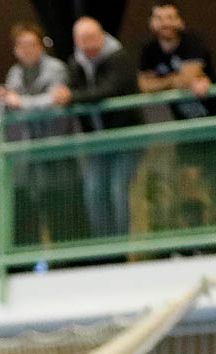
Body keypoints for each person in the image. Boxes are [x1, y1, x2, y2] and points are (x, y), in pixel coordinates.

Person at [136, 3, 216, 230]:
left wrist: (162, 82)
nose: (166, 23)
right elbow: (143, 84)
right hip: (188, 128)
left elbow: (191, 75)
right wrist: (176, 81)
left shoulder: (193, 42)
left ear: (180, 21)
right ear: (152, 24)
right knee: (188, 184)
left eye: (170, 17)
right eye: (160, 18)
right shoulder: (149, 51)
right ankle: (196, 239)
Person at [0, 24, 89, 248]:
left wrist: (21, 104)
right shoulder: (15, 73)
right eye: (22, 46)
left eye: (32, 45)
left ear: (41, 47)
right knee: (31, 213)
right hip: (31, 157)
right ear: (16, 50)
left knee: (64, 214)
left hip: (59, 153)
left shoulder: (56, 69)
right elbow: (6, 108)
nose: (27, 50)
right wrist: (4, 101)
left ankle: (72, 262)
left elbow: (53, 104)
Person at [52, 18, 143, 243]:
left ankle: (119, 247)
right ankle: (102, 247)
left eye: (93, 38)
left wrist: (72, 96)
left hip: (125, 137)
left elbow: (109, 89)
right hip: (96, 141)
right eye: (83, 40)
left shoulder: (119, 58)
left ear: (102, 36)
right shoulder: (76, 63)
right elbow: (70, 91)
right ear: (76, 41)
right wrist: (65, 95)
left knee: (118, 191)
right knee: (93, 193)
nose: (89, 44)